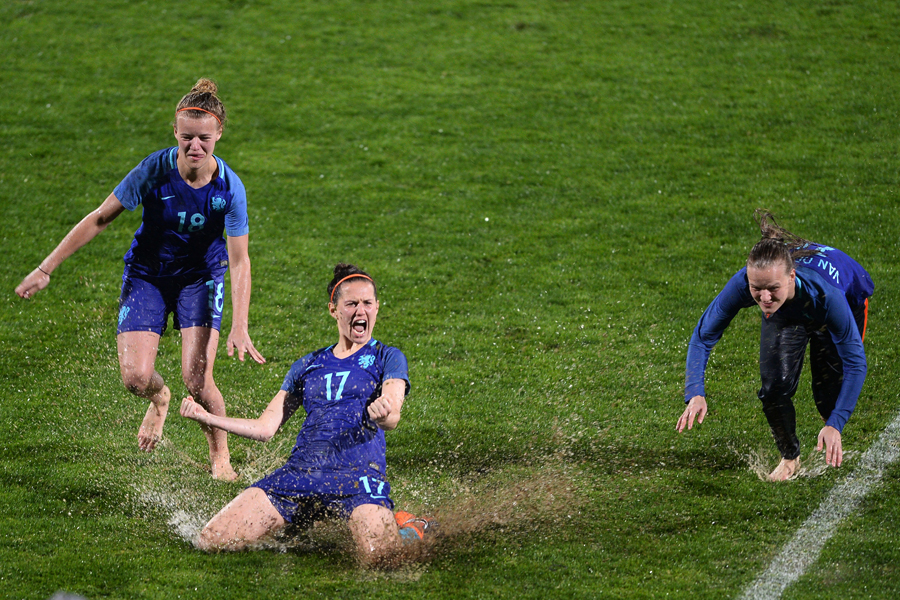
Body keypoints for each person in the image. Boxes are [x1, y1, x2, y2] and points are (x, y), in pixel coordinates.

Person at [15, 78, 265, 480]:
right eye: (186, 138)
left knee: (198, 380)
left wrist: (240, 325)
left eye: (204, 138)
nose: (194, 147)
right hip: (147, 275)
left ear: (219, 132)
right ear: (175, 132)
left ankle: (221, 457)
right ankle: (161, 398)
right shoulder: (153, 170)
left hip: (200, 279)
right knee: (135, 379)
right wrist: (46, 268)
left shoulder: (230, 189)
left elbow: (239, 260)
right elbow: (100, 218)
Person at [179, 264, 432, 562]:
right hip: (300, 475)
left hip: (357, 477)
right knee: (212, 540)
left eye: (367, 303)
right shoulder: (307, 365)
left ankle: (411, 526)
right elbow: (265, 428)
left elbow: (393, 412)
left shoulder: (386, 356)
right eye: (351, 304)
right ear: (334, 310)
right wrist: (208, 418)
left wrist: (383, 414)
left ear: (376, 307)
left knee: (381, 556)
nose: (360, 310)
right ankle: (301, 515)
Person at [676, 210, 873, 481]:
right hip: (790, 309)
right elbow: (703, 336)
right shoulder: (749, 286)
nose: (764, 297)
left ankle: (831, 424)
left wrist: (835, 424)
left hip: (842, 304)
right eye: (757, 289)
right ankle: (790, 458)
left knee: (829, 398)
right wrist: (695, 391)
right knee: (773, 389)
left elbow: (855, 363)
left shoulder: (827, 296)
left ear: (791, 277)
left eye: (772, 288)